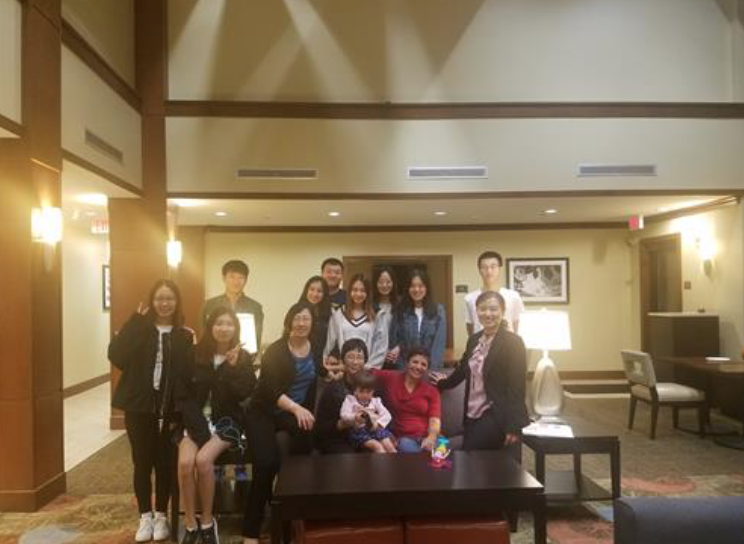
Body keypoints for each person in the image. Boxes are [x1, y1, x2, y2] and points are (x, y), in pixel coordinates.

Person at [108, 279, 194, 543]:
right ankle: (145, 516)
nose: (164, 303)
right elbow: (116, 355)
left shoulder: (184, 335)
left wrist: (180, 411)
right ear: (152, 301)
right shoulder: (139, 328)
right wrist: (134, 321)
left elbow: (187, 374)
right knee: (142, 462)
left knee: (165, 463)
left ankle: (161, 516)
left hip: (169, 409)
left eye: (169, 298)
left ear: (176, 302)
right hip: (139, 407)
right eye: (159, 298)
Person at [242, 302, 322, 544]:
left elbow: (315, 377)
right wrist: (297, 408)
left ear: (312, 324)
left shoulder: (315, 348)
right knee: (265, 464)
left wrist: (331, 373)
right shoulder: (276, 351)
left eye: (306, 319)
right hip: (263, 411)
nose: (301, 323)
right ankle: (251, 531)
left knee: (304, 448)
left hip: (288, 414)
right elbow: (270, 390)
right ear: (289, 322)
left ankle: (293, 517)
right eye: (297, 318)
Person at [176, 307, 257, 544]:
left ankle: (207, 522)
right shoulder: (194, 354)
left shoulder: (243, 357)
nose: (224, 328)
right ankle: (190, 524)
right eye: (219, 323)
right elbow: (183, 394)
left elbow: (245, 394)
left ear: (235, 328)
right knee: (185, 463)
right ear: (210, 327)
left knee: (203, 460)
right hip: (195, 420)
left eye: (229, 324)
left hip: (226, 422)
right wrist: (198, 427)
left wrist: (232, 369)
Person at [432, 291, 529, 451]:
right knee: (472, 459)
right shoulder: (474, 340)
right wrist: (443, 383)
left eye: (493, 309)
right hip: (471, 412)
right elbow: (463, 369)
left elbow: (517, 387)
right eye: (483, 309)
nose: (488, 314)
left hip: (495, 413)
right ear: (476, 311)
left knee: (473, 454)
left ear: (503, 311)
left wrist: (514, 425)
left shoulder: (513, 342)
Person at [374, 348, 441, 453]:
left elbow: (435, 419)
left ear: (427, 369)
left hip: (427, 437)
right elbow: (368, 372)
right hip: (405, 439)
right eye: (415, 362)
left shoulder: (432, 391)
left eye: (423, 364)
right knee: (407, 448)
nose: (418, 367)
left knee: (443, 448)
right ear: (407, 363)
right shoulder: (391, 378)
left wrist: (431, 438)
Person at [314, 338, 369, 454]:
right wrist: (342, 424)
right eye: (350, 357)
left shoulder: (369, 387)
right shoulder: (332, 389)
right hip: (336, 440)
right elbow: (320, 429)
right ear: (343, 360)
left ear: (365, 361)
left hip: (363, 438)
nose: (355, 362)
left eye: (359, 357)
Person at [387, 269, 447, 370]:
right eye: (412, 286)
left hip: (429, 369)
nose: (416, 289)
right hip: (404, 369)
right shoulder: (400, 310)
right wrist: (403, 368)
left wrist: (430, 369)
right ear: (408, 288)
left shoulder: (438, 310)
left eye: (420, 286)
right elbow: (393, 341)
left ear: (427, 288)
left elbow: (439, 344)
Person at [324, 274, 386, 369]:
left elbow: (381, 345)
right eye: (355, 290)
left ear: (368, 293)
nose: (358, 294)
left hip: (367, 369)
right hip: (343, 368)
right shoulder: (339, 313)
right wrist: (327, 361)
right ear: (349, 291)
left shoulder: (377, 315)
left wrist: (368, 367)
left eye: (362, 290)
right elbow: (330, 341)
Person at [201, 260, 264, 352]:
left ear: (246, 280)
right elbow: (204, 334)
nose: (236, 282)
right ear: (224, 278)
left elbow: (256, 338)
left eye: (241, 278)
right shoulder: (209, 305)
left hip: (243, 355)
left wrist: (247, 357)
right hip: (213, 354)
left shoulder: (255, 307)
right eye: (232, 277)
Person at [464, 251, 524, 335]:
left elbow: (517, 325)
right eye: (484, 267)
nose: (489, 271)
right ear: (479, 270)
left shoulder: (513, 296)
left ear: (499, 269)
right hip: (480, 342)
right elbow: (470, 328)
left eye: (493, 267)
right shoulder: (470, 298)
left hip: (507, 341)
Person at [340, 371, 397, 453]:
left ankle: (396, 461)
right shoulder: (350, 400)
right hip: (359, 432)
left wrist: (379, 424)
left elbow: (387, 415)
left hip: (375, 429)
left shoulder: (376, 401)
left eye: (368, 392)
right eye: (361, 391)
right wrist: (354, 417)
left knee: (388, 444)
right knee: (377, 446)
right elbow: (343, 414)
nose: (365, 395)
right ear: (355, 390)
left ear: (373, 391)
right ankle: (382, 461)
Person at [298, 275, 332, 357]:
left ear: (324, 294)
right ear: (306, 291)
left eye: (319, 291)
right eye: (312, 289)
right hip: (300, 355)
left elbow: (333, 338)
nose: (315, 294)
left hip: (322, 357)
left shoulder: (330, 313)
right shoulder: (297, 310)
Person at [372, 266, 396, 369]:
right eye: (381, 282)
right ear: (375, 283)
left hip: (395, 358)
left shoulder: (400, 305)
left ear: (393, 283)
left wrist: (397, 349)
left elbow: (403, 333)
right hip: (374, 356)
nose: (384, 285)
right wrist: (382, 351)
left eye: (388, 282)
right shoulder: (369, 305)